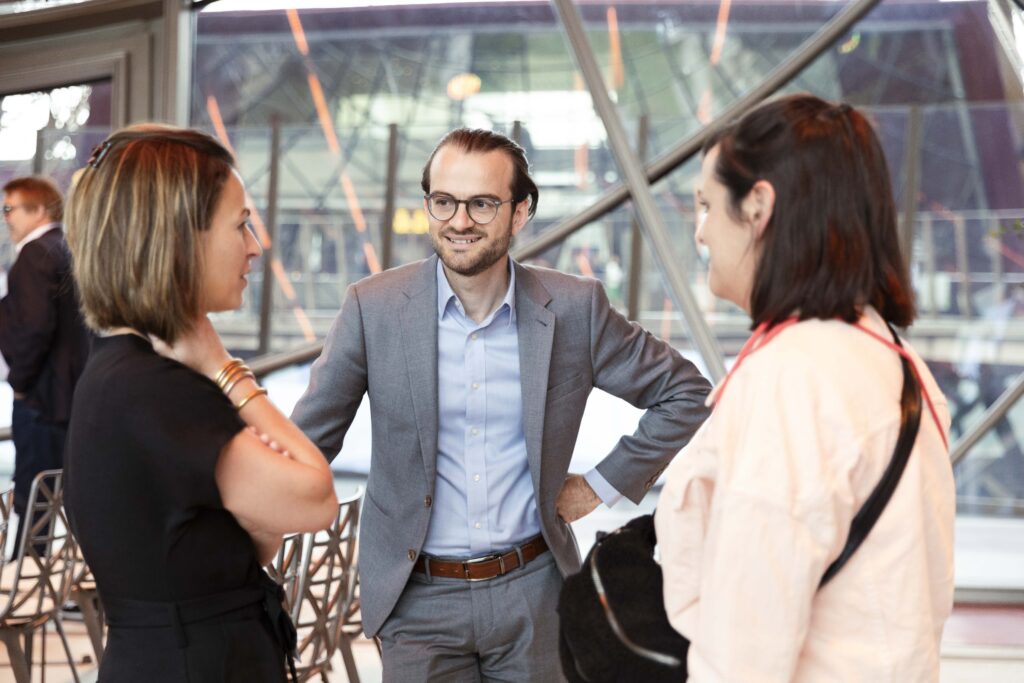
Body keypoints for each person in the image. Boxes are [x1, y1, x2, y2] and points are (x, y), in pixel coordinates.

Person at [291, 127, 712, 681]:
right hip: (416, 604)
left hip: (534, 594)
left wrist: (598, 486)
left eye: (482, 204)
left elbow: (686, 393)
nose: (459, 221)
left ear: (520, 212)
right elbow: (304, 445)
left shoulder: (573, 309)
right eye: (443, 202)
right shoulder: (373, 309)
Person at [655, 94, 956, 682]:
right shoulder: (894, 362)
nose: (702, 234)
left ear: (759, 206)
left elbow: (746, 650)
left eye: (707, 206)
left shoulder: (791, 381)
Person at [63, 125, 338, 682]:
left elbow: (253, 543)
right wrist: (224, 368)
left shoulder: (128, 372)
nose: (256, 246)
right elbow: (316, 499)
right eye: (240, 225)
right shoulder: (155, 390)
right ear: (179, 240)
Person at [0, 176, 91, 554]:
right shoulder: (65, 248)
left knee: (34, 498)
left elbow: (35, 328)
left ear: (39, 210)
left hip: (42, 400)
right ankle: (50, 588)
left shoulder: (35, 255)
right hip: (68, 398)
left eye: (10, 209)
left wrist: (19, 381)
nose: (6, 218)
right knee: (57, 496)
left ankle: (25, 591)